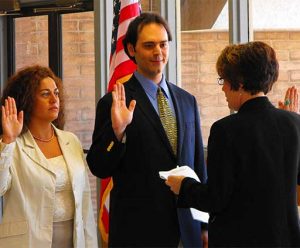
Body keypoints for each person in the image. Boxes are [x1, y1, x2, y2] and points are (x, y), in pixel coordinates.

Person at [87, 12, 207, 247]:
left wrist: (203, 225)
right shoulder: (114, 102)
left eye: (163, 44)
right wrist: (117, 132)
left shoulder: (187, 100)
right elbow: (98, 166)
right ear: (131, 49)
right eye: (149, 45)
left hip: (187, 230)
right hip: (139, 233)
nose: (158, 52)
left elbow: (198, 167)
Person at [166, 41, 300, 247]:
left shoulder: (225, 130)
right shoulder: (294, 122)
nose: (223, 89)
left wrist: (183, 186)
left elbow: (216, 199)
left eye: (224, 80)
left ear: (240, 82)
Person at [0, 65, 98, 248]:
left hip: (74, 240)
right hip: (27, 241)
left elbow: (84, 203)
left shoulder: (71, 141)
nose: (54, 99)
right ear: (27, 100)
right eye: (45, 94)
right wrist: (7, 140)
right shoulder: (12, 145)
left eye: (56, 93)